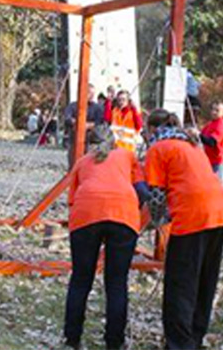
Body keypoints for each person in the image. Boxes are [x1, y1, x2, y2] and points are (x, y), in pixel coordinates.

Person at [139, 109, 223, 350]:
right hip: (219, 213)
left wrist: (156, 221)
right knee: (204, 279)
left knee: (180, 283)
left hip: (191, 217)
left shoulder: (158, 148)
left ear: (152, 129)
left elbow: (156, 195)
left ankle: (179, 343)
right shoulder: (191, 144)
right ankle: (195, 336)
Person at [64, 126, 145, 350]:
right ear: (114, 142)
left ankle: (72, 338)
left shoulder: (82, 162)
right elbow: (141, 189)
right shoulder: (128, 156)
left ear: (89, 143)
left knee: (81, 280)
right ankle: (114, 341)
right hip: (123, 215)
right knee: (117, 283)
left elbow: (72, 199)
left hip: (86, 214)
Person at [64, 84, 104, 168]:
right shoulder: (73, 106)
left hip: (91, 141)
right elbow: (67, 118)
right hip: (75, 140)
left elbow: (99, 122)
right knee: (73, 165)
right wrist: (78, 123)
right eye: (89, 93)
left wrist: (88, 125)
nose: (92, 96)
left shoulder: (97, 108)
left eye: (93, 93)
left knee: (89, 166)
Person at [196, 101, 223, 178]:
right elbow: (201, 136)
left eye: (217, 110)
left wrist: (197, 134)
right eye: (213, 109)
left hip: (217, 163)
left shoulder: (220, 126)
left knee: (215, 183)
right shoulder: (211, 124)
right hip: (208, 160)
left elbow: (211, 142)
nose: (214, 112)